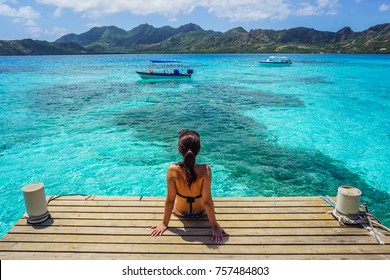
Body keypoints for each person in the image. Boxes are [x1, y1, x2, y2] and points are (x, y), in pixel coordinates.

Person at [151, 129, 228, 243]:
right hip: (201, 213)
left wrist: (164, 223)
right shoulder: (205, 170)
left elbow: (170, 200)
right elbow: (207, 201)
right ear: (199, 150)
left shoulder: (172, 170)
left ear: (179, 150)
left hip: (180, 212)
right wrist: (215, 226)